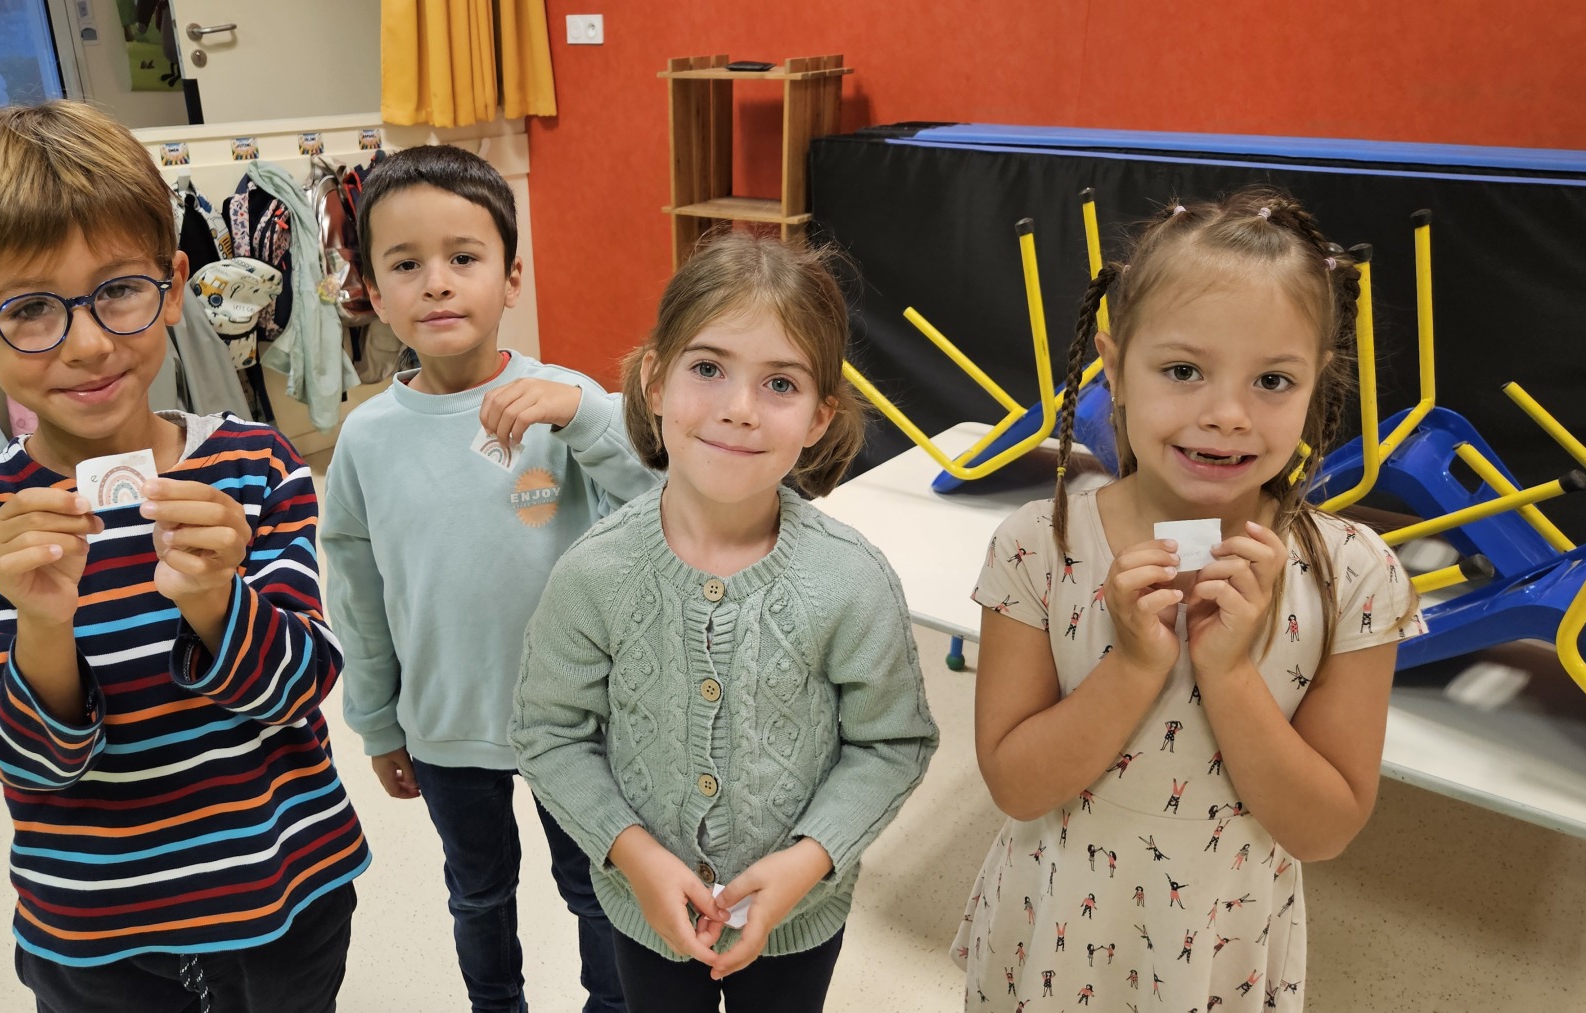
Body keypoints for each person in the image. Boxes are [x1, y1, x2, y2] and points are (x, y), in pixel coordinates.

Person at [0, 101, 368, 1011]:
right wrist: (42, 623)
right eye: (29, 309)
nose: (90, 344)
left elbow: (303, 687)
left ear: (172, 288)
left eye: (119, 290)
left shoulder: (256, 467)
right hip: (97, 933)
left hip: (286, 896)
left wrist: (216, 600)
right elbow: (23, 761)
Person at [952, 187, 1424, 1012]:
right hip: (1053, 927)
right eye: (1182, 370)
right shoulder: (1039, 545)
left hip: (1219, 947)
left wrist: (1230, 672)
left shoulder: (1353, 574)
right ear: (1113, 368)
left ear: (1316, 384)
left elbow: (1324, 829)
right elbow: (1017, 787)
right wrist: (1135, 664)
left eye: (1273, 379)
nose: (1227, 414)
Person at [511, 232, 939, 1013]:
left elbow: (892, 742)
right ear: (655, 382)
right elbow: (547, 733)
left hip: (800, 919)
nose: (739, 409)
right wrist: (633, 854)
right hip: (645, 915)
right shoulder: (594, 572)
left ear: (819, 416)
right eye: (708, 368)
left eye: (780, 382)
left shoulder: (851, 579)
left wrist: (808, 860)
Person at [321, 143, 655, 1013]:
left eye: (463, 258)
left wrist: (585, 414)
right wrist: (375, 719)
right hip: (445, 724)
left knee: (597, 891)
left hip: (577, 720)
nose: (436, 283)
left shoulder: (565, 401)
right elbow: (357, 594)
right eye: (406, 264)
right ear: (373, 291)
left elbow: (665, 499)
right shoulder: (366, 439)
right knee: (477, 893)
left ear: (511, 278)